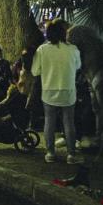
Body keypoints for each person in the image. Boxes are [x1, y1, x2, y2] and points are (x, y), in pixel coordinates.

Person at [31, 20, 83, 165]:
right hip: (68, 90)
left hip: (48, 90)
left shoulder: (42, 50)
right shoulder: (73, 49)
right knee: (69, 122)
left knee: (49, 121)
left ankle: (50, 153)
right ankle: (71, 154)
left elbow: (35, 71)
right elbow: (78, 66)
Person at [67, 24, 103, 151]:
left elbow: (79, 64)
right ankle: (102, 141)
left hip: (98, 75)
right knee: (101, 109)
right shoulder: (98, 45)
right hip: (102, 74)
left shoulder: (83, 47)